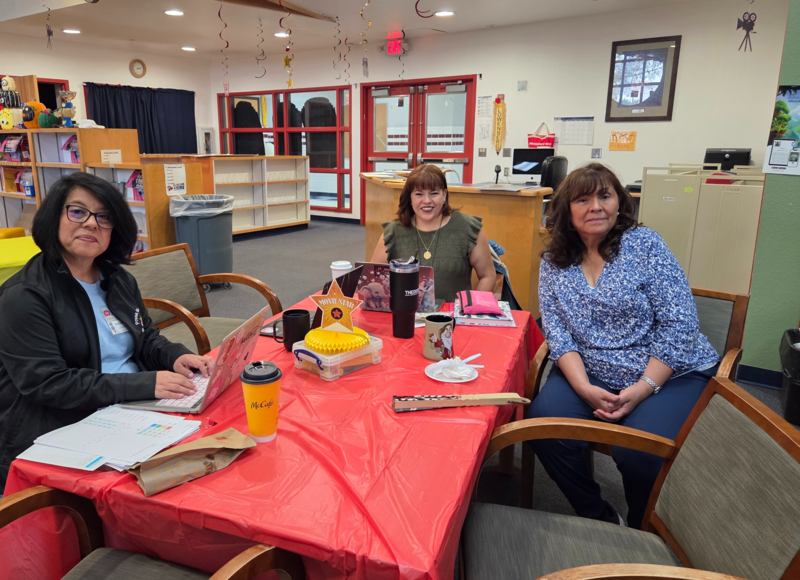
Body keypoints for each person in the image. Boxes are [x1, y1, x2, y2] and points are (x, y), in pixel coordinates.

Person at [529, 163, 719, 529]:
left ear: (619, 202)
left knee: (639, 452)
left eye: (605, 196)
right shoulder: (554, 260)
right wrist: (582, 387)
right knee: (543, 427)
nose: (596, 206)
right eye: (583, 199)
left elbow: (680, 325)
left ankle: (641, 530)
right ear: (567, 209)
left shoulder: (645, 245)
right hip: (592, 370)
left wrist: (644, 388)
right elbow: (556, 329)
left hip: (670, 372)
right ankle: (597, 514)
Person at [0, 172, 215, 490]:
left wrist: (176, 355)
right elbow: (49, 384)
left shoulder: (117, 279)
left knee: (210, 450)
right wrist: (145, 383)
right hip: (63, 424)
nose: (91, 223)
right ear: (54, 217)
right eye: (77, 211)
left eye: (104, 217)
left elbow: (145, 337)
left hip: (130, 409)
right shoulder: (23, 296)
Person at [371, 164, 496, 302]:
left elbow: (488, 276)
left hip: (454, 318)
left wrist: (471, 309)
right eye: (419, 194)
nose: (427, 201)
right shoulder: (393, 232)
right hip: (406, 316)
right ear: (410, 198)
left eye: (434, 193)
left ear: (444, 195)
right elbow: (373, 279)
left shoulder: (467, 228)